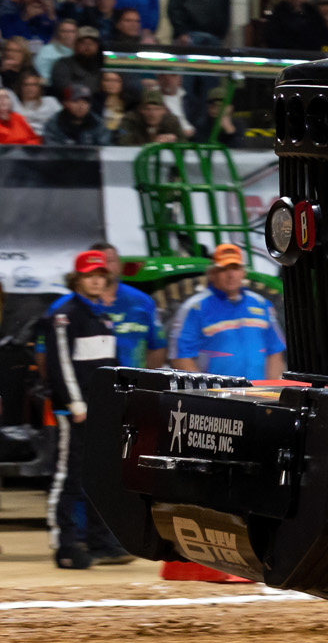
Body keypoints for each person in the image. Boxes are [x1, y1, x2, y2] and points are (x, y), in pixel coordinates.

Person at [36, 247, 165, 568]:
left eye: (100, 276)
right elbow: (60, 363)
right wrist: (76, 405)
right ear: (77, 279)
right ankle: (65, 545)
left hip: (100, 411)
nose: (95, 281)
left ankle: (101, 543)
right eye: (89, 276)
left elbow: (110, 367)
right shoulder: (64, 315)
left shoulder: (102, 317)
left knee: (98, 477)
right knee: (68, 476)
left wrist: (117, 403)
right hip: (74, 413)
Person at [170, 243, 286, 382]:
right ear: (212, 274)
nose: (231, 275)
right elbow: (180, 357)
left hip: (258, 391)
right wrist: (204, 390)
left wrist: (270, 387)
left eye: (235, 268)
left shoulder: (261, 304)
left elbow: (274, 351)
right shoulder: (194, 308)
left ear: (243, 272)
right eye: (223, 269)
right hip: (218, 393)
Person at [42, 85, 108, 146]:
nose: (81, 106)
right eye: (76, 101)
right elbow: (51, 150)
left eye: (85, 102)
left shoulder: (97, 124)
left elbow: (103, 149)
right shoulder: (54, 124)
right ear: (65, 103)